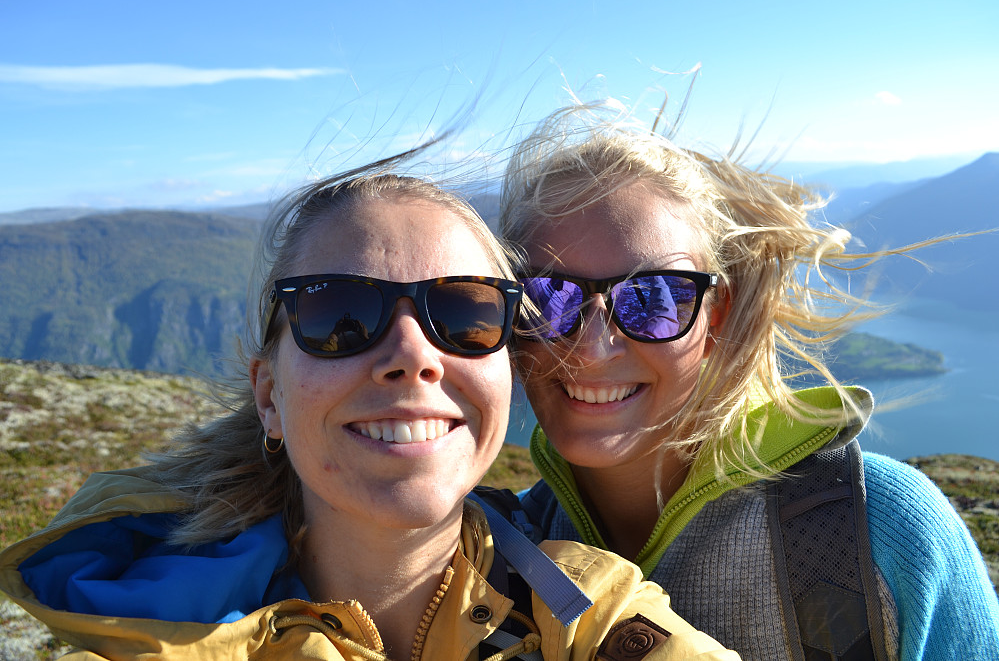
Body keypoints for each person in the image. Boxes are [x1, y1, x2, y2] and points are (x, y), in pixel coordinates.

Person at [0, 151, 742, 660]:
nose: (414, 354)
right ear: (267, 395)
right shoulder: (147, 630)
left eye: (465, 314)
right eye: (340, 316)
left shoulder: (587, 606)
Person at [499, 102, 999, 660]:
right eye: (548, 298)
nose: (591, 348)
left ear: (716, 314)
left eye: (655, 298)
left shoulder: (880, 527)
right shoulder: (502, 547)